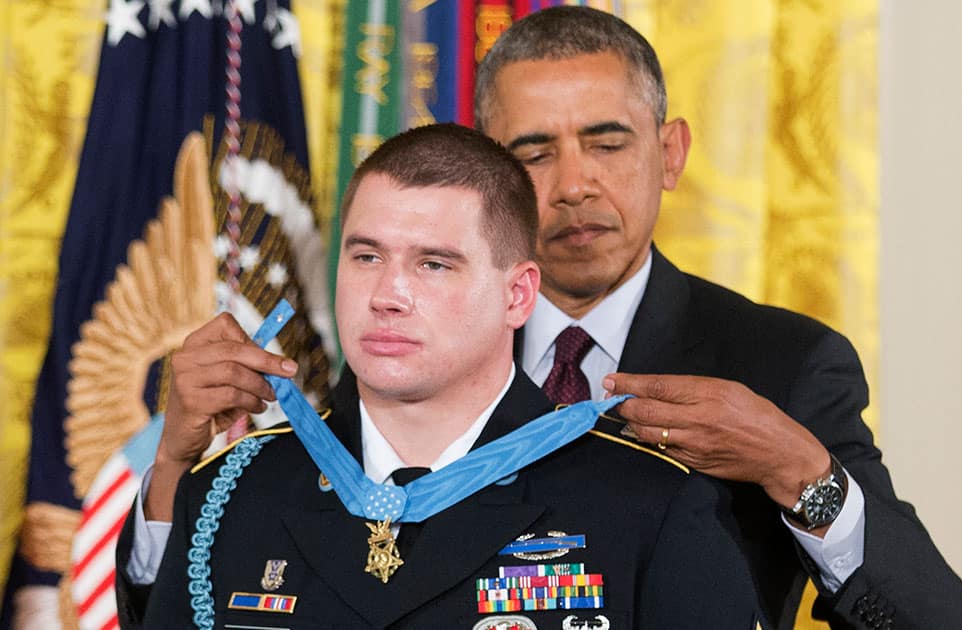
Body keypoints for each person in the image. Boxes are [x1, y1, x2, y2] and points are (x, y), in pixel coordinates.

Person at [116, 123, 759, 629]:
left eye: (433, 265)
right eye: (366, 255)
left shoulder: (649, 503)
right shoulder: (230, 492)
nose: (387, 294)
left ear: (517, 295)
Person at [471, 6, 962, 629]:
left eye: (606, 143)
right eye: (535, 153)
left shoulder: (785, 363)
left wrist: (799, 469)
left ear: (670, 152)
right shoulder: (428, 348)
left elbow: (933, 620)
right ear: (487, 178)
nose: (575, 184)